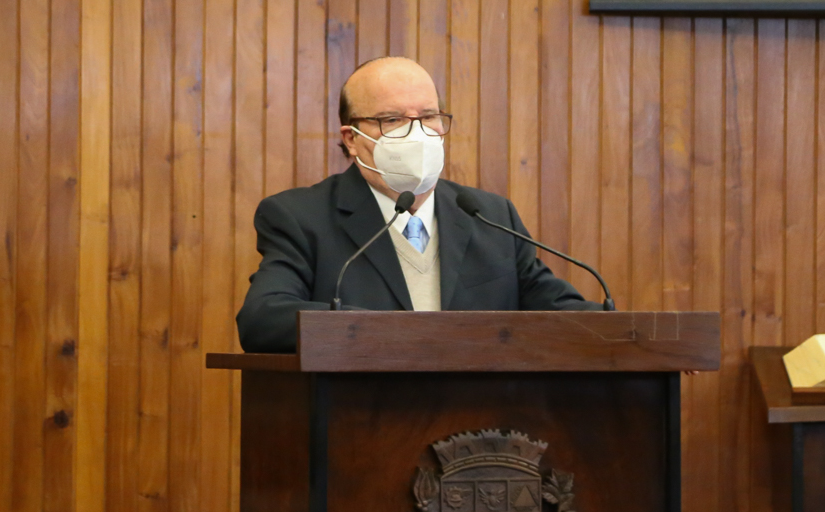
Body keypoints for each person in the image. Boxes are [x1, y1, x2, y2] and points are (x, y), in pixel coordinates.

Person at [236, 56, 600, 353]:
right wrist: (390, 333)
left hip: (484, 415)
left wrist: (622, 327)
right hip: (361, 411)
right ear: (351, 139)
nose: (417, 132)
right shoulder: (302, 218)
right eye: (392, 120)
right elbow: (263, 319)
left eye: (428, 117)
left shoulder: (489, 216)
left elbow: (561, 312)